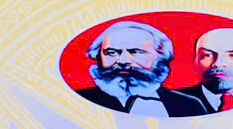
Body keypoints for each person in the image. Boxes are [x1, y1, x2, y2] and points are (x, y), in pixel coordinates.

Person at [72, 19, 206, 117]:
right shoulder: (76, 102)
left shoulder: (189, 106)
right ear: (98, 56)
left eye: (135, 52)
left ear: (160, 56)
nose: (123, 61)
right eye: (112, 53)